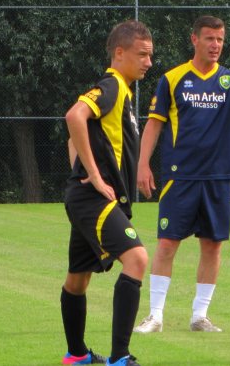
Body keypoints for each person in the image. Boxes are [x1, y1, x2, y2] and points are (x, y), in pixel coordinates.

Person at [133, 15, 230, 334]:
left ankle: (199, 315)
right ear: (194, 40)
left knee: (212, 246)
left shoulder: (229, 80)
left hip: (218, 177)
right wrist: (142, 164)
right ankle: (155, 315)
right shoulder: (173, 79)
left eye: (220, 39)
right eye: (209, 38)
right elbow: (154, 123)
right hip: (181, 177)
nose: (215, 45)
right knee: (167, 244)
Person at [60, 20, 154, 366]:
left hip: (83, 197)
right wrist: (95, 178)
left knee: (78, 278)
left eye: (150, 56)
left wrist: (79, 172)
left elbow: (75, 137)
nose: (148, 62)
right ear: (119, 53)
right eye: (142, 54)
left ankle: (77, 355)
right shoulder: (112, 85)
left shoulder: (124, 93)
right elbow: (74, 117)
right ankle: (120, 357)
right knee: (138, 258)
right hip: (93, 199)